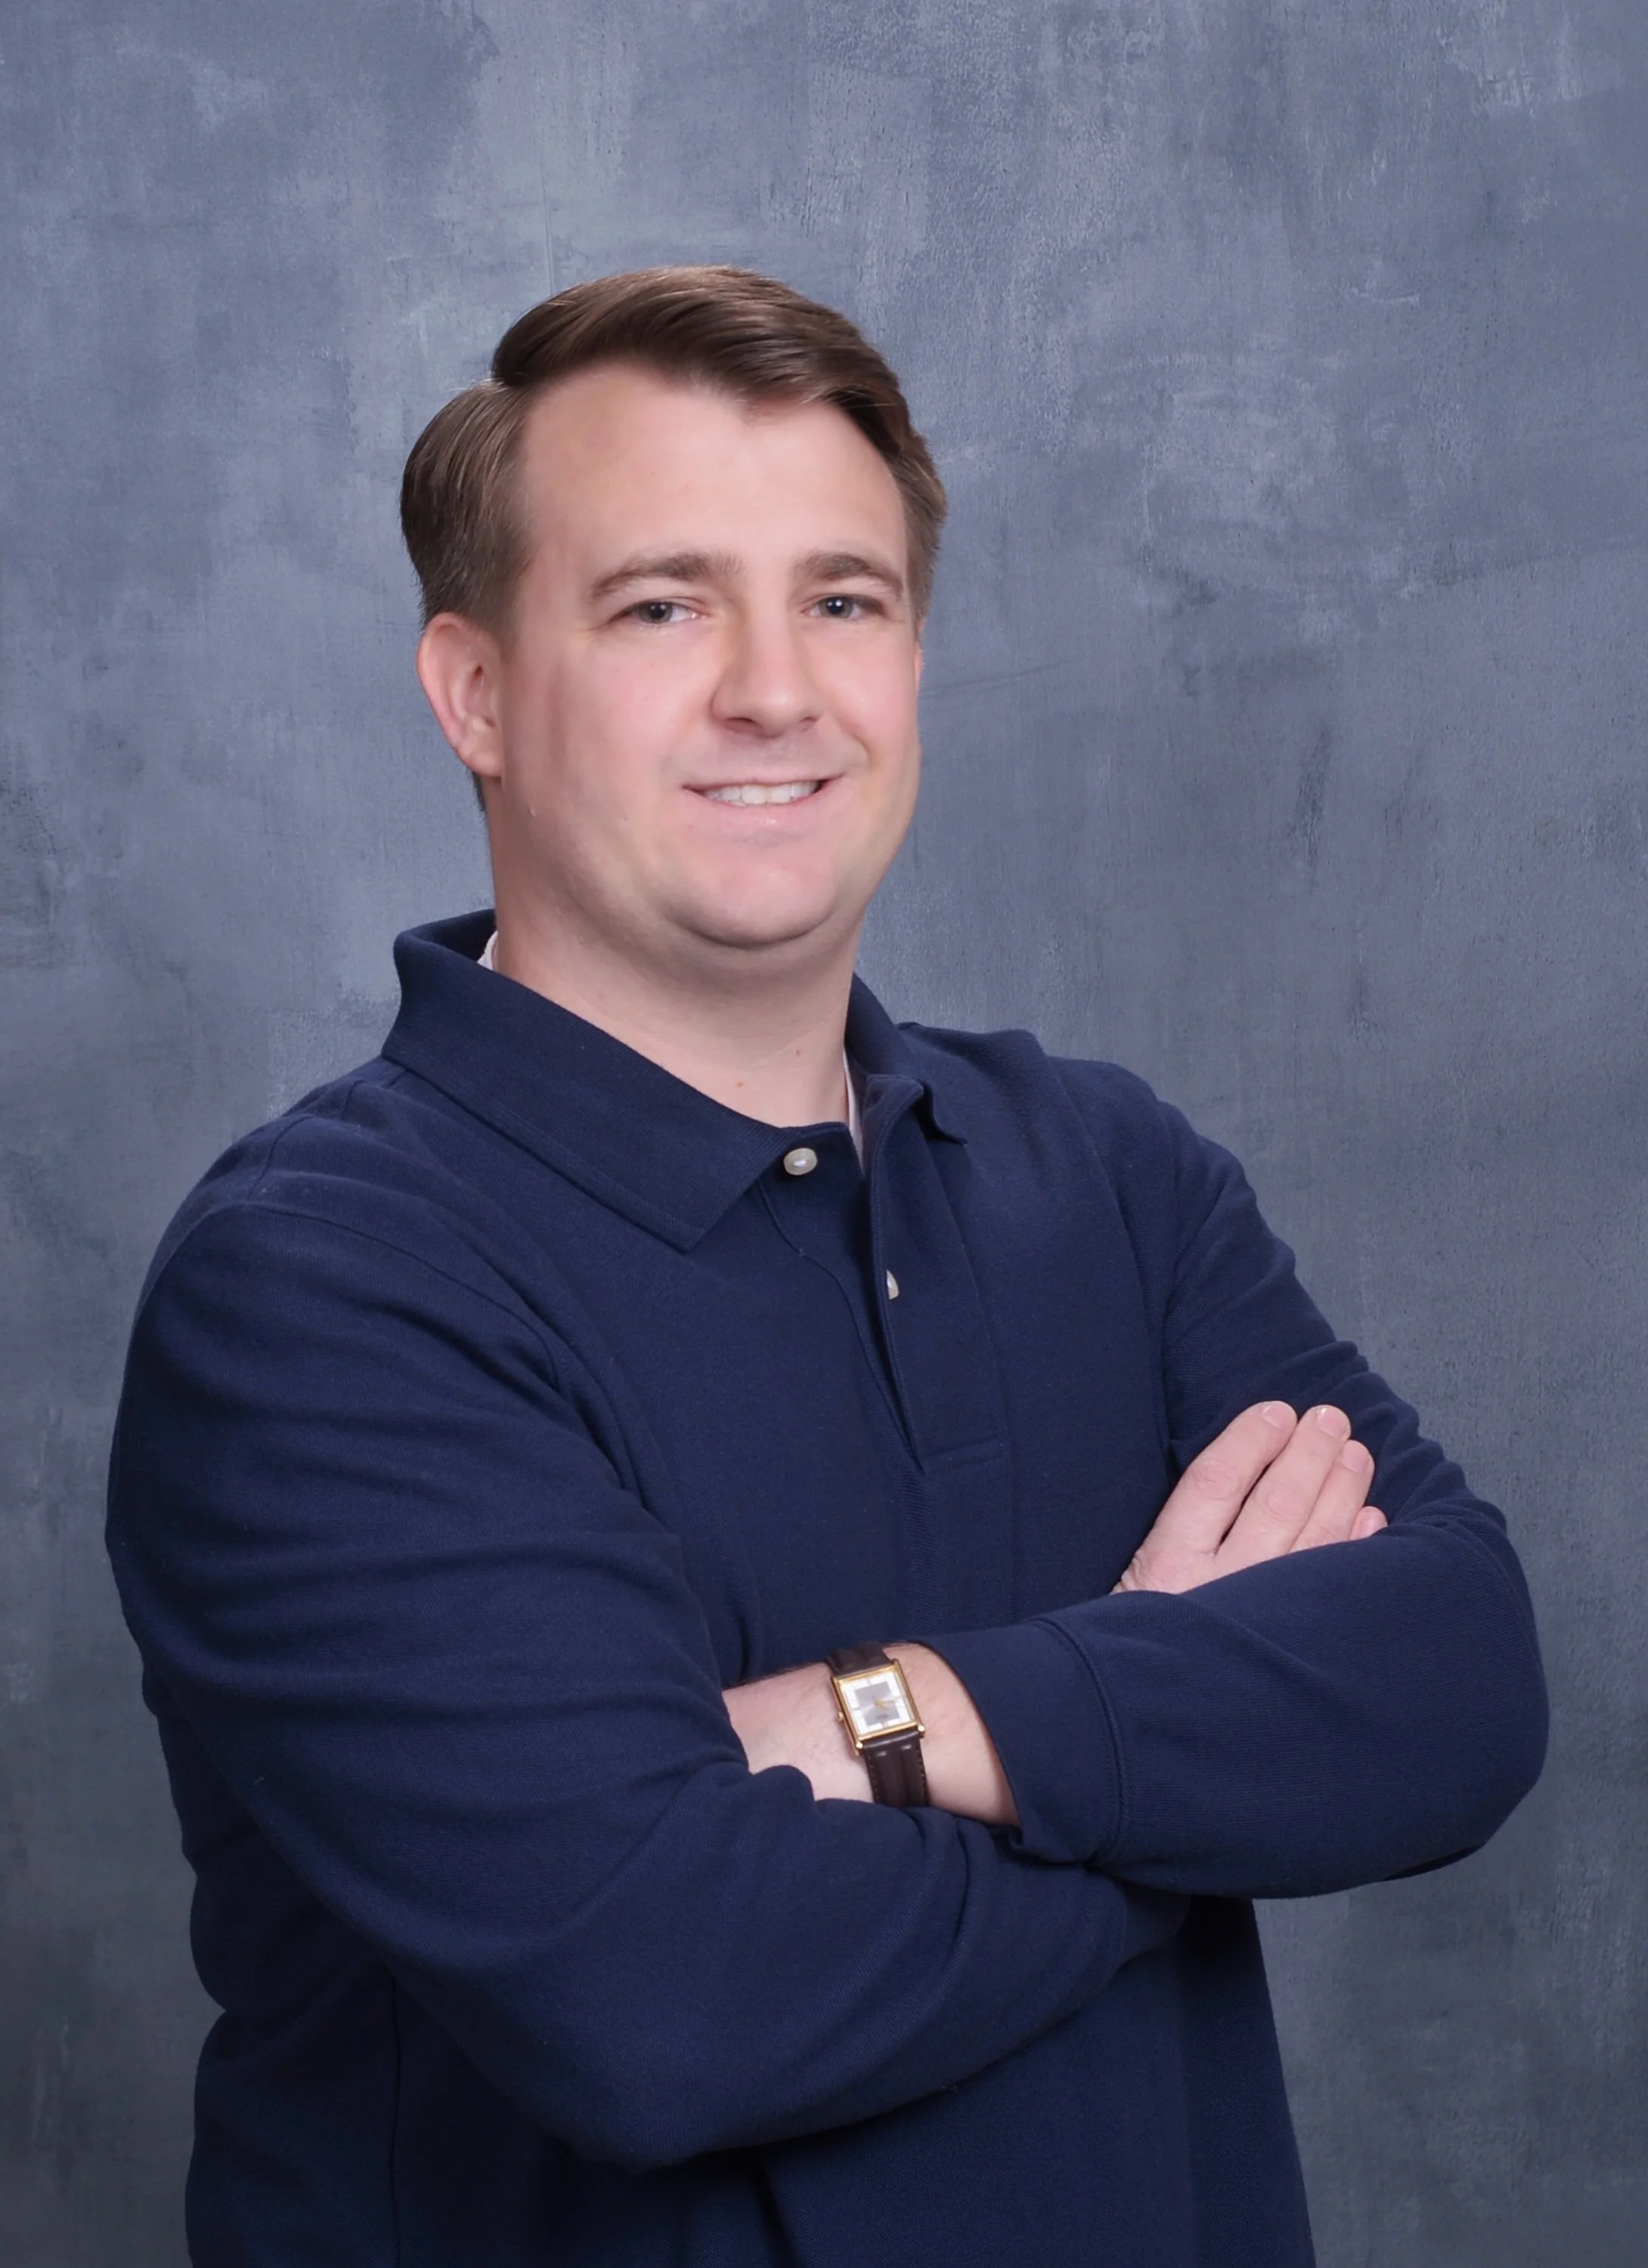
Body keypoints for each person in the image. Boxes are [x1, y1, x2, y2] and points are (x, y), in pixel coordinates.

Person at [107, 266, 1548, 2267]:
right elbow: (662, 2001)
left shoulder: (1109, 1174)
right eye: (663, 606)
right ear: (477, 692)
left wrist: (891, 1716)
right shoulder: (321, 1286)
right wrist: (1180, 1757)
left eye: (844, 601)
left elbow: (1461, 1681)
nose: (775, 691)